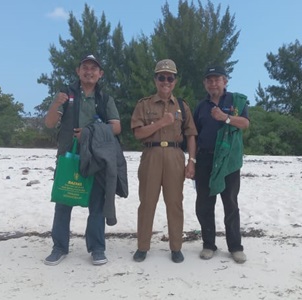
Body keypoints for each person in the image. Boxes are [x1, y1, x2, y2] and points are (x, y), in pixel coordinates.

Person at [44, 54, 124, 266]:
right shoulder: (66, 94)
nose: (89, 71)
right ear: (78, 71)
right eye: (85, 67)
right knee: (63, 202)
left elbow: (116, 127)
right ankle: (59, 247)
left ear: (100, 74)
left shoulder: (105, 99)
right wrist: (55, 104)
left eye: (94, 68)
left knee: (96, 204)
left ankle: (97, 248)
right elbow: (50, 123)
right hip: (68, 156)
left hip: (96, 158)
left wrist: (90, 132)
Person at [130, 59, 198, 263]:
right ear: (155, 79)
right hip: (151, 155)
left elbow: (191, 134)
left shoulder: (182, 107)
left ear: (175, 81)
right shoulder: (144, 104)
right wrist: (161, 123)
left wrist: (191, 161)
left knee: (175, 203)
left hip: (175, 156)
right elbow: (138, 133)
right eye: (161, 77)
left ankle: (176, 247)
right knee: (147, 202)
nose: (165, 81)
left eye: (170, 77)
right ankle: (142, 246)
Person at [192, 66, 250, 263]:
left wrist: (225, 118)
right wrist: (192, 160)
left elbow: (245, 123)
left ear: (225, 81)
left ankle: (235, 247)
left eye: (217, 79)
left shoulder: (236, 101)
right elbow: (194, 134)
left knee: (230, 203)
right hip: (205, 159)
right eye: (209, 80)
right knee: (204, 204)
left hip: (229, 160)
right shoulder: (200, 107)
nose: (213, 83)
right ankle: (209, 244)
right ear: (205, 84)